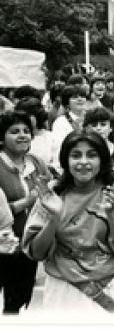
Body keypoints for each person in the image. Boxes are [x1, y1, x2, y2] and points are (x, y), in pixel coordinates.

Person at [21, 131, 114, 313]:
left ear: (102, 159)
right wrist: (54, 218)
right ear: (65, 160)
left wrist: (111, 214)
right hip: (62, 289)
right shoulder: (51, 193)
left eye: (91, 155)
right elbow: (36, 252)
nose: (83, 162)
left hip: (108, 287)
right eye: (76, 155)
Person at [0, 111, 52, 313]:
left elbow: (50, 191)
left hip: (27, 244)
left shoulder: (36, 162)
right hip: (3, 244)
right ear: (2, 138)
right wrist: (27, 201)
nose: (22, 135)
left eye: (26, 131)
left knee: (17, 302)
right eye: (14, 131)